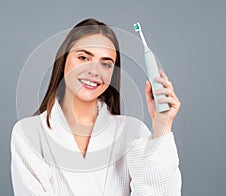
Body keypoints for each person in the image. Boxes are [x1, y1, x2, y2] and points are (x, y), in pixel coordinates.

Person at [10, 18, 182, 196]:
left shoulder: (134, 132)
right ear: (63, 62)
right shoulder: (28, 134)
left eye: (106, 64)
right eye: (83, 57)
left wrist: (162, 126)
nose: (94, 71)